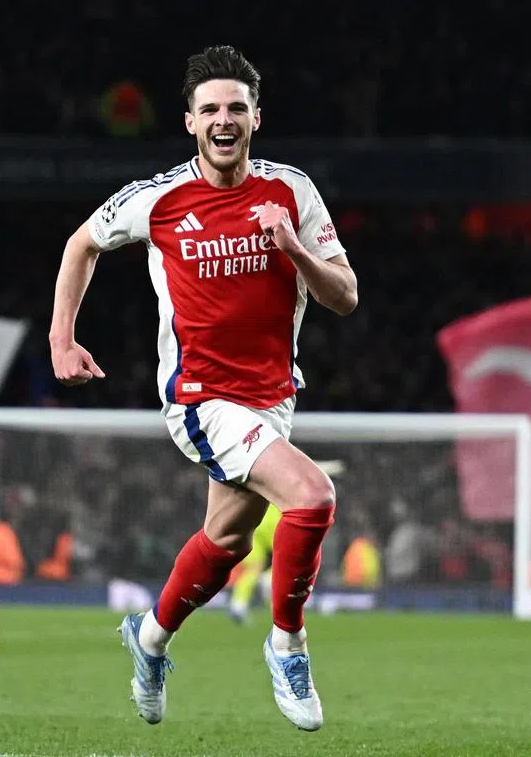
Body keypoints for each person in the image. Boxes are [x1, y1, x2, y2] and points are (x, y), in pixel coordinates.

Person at [49, 45, 357, 732]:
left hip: (272, 395)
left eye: (237, 108)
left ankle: (150, 640)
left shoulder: (291, 193)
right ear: (190, 122)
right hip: (199, 397)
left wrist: (296, 250)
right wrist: (60, 340)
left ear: (256, 118)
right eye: (211, 109)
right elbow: (81, 244)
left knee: (227, 540)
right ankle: (288, 644)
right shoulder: (157, 198)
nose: (225, 119)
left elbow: (345, 296)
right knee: (312, 498)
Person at [228, 460, 345, 625]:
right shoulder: (289, 469)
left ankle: (238, 605)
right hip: (275, 522)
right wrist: (332, 467)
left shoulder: (268, 465)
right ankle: (272, 587)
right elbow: (309, 469)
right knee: (288, 563)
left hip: (256, 521)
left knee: (254, 567)